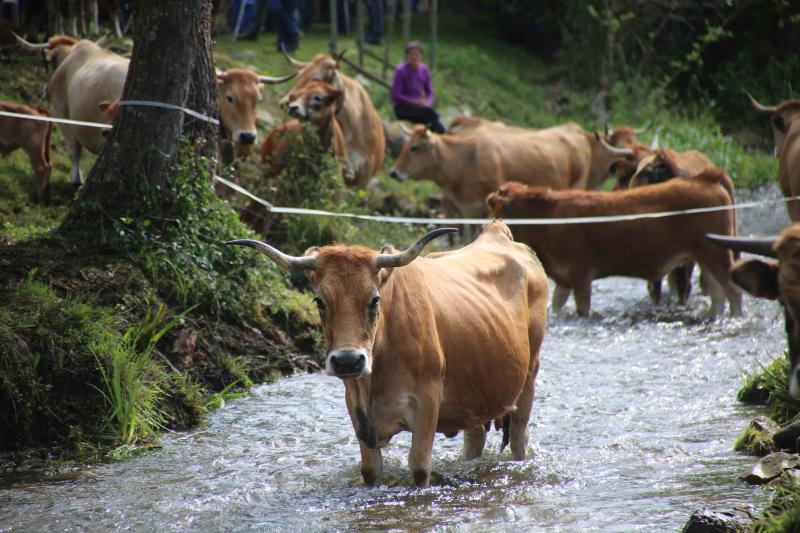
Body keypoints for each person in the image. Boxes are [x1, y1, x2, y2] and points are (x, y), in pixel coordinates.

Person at [391, 41, 446, 133]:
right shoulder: (401, 71)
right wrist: (412, 101)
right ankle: (444, 132)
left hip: (419, 108)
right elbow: (396, 95)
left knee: (429, 118)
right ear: (407, 57)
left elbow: (430, 91)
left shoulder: (424, 70)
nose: (414, 57)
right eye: (411, 55)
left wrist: (428, 102)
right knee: (429, 113)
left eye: (416, 54)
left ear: (421, 56)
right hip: (402, 108)